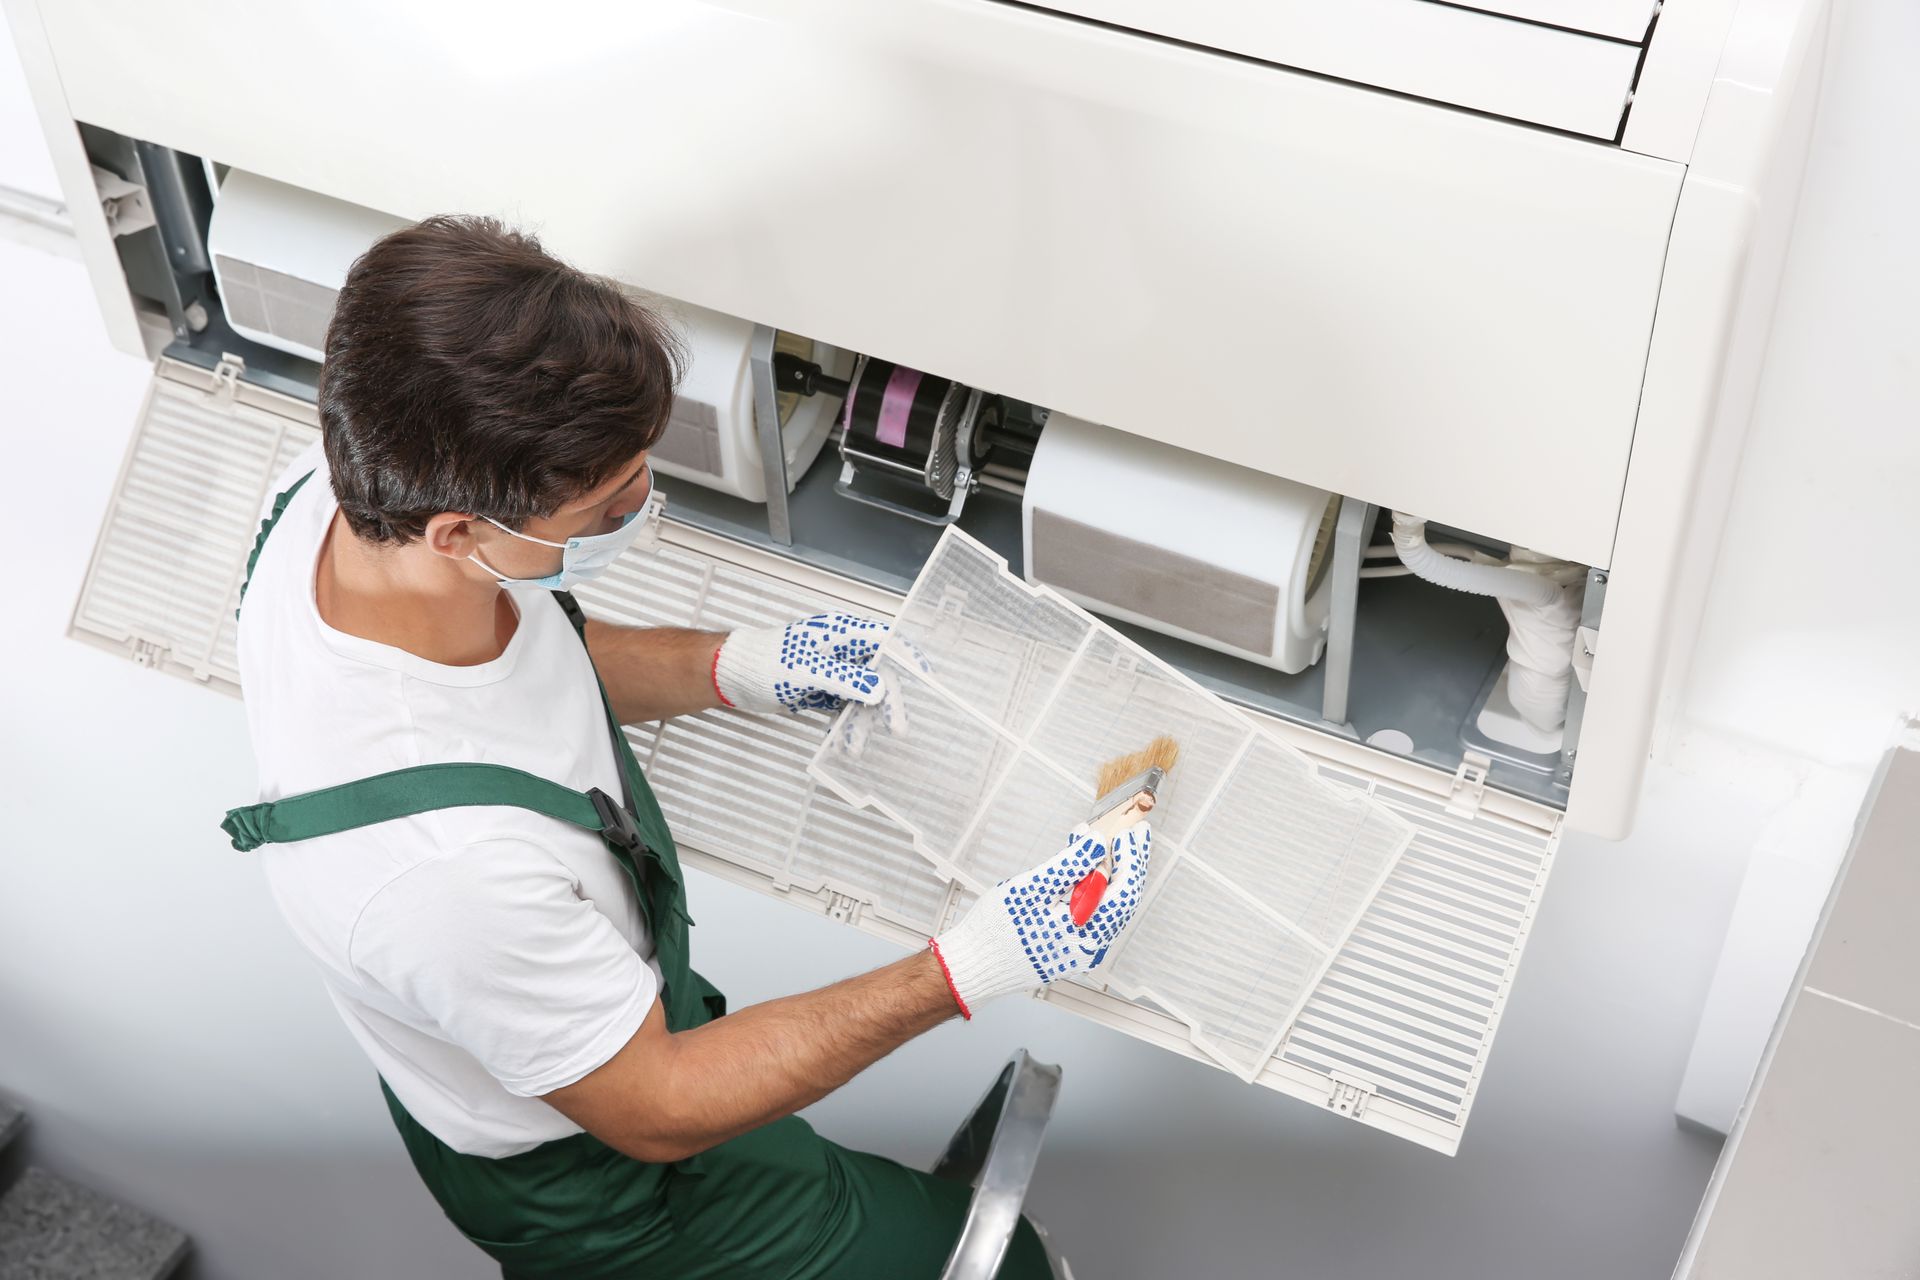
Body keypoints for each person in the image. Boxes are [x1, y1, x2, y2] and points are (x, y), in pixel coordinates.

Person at [221, 215, 1153, 1279]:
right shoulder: (442, 880)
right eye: (610, 504)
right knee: (1008, 1265)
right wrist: (982, 960)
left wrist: (737, 662)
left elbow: (512, 677)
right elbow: (658, 1105)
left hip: (585, 1044)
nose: (643, 510)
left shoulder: (339, 497)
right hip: (612, 1180)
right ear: (458, 533)